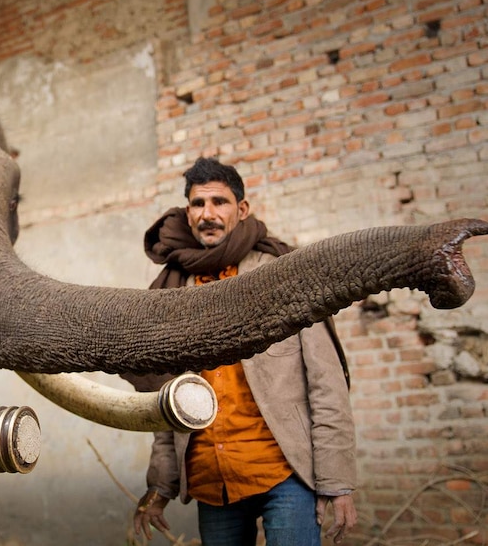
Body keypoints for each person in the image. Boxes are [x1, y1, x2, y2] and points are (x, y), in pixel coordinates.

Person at [126, 157, 358, 546]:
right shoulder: (172, 291)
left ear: (242, 209)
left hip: (285, 475)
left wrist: (337, 483)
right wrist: (159, 488)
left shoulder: (283, 272)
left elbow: (326, 385)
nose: (208, 214)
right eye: (198, 204)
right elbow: (167, 402)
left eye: (220, 202)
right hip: (213, 484)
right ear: (188, 213)